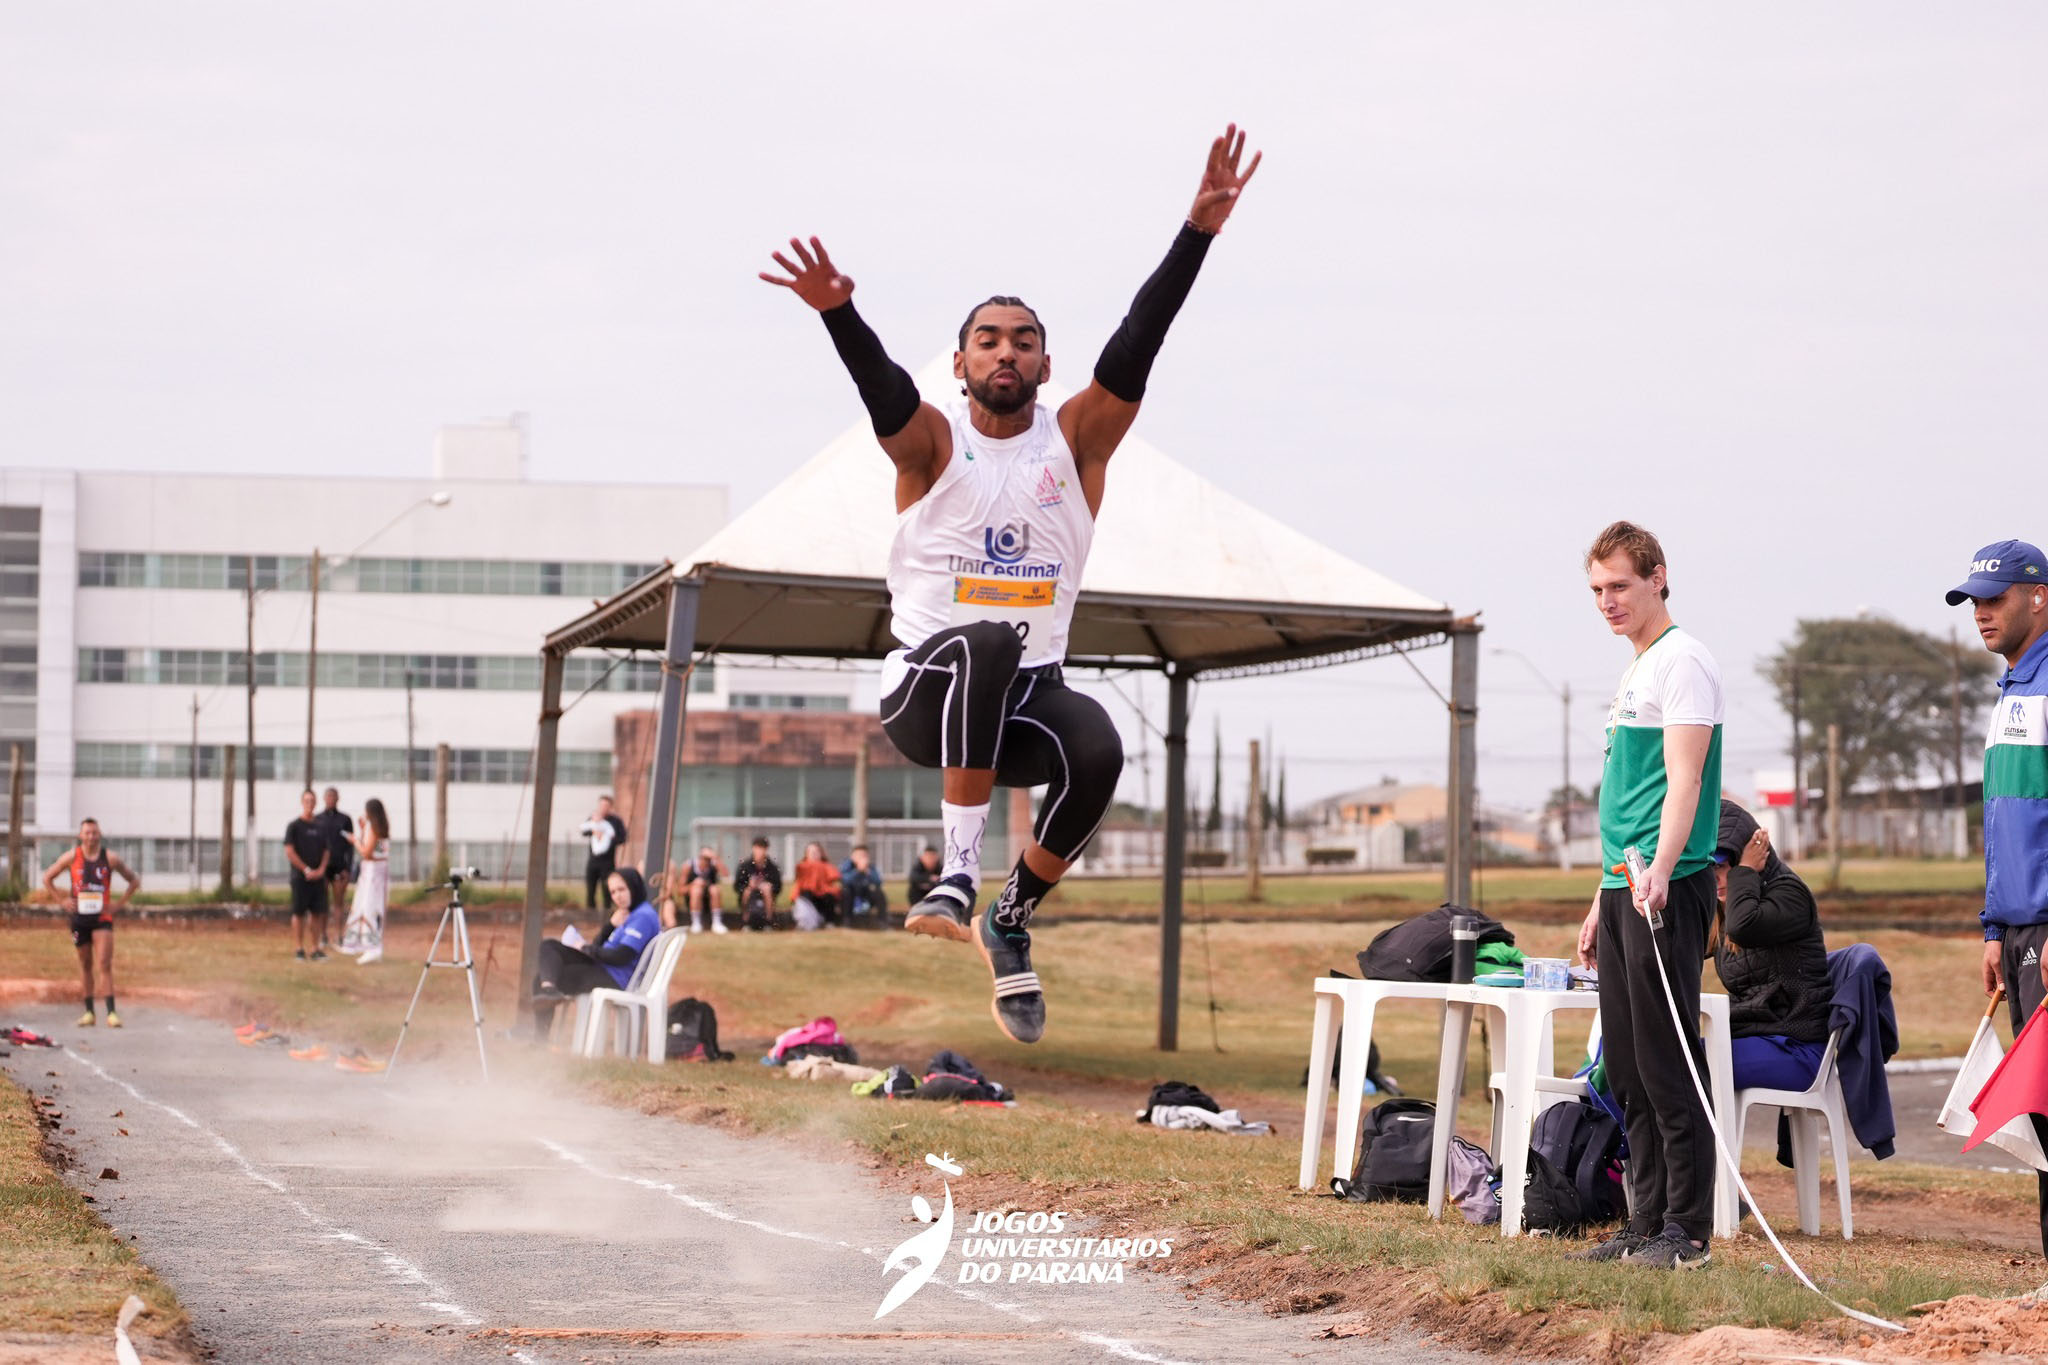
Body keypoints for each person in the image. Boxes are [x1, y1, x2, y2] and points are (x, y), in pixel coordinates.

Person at [759, 125, 1259, 1043]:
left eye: (1024, 342)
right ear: (959, 364)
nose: (1006, 353)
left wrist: (1197, 233)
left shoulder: (1074, 442)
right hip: (927, 692)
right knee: (987, 638)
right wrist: (838, 314)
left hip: (1028, 697)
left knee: (1100, 748)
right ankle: (954, 870)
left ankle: (1010, 915)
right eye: (987, 341)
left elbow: (1136, 344)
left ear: (1046, 363)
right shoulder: (934, 447)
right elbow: (883, 395)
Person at [1570, 520, 1725, 1270]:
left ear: (1659, 576)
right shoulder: (1636, 669)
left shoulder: (1684, 661)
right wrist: (1601, 896)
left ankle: (1687, 1230)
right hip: (1622, 887)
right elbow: (1629, 795)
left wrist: (1660, 868)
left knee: (1668, 1062)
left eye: (1621, 585)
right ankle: (1644, 1218)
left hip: (1669, 883)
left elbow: (1684, 780)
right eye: (1598, 589)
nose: (1608, 600)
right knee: (1627, 1065)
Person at [1947, 537, 2048, 1258]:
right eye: (1974, 601)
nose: (1982, 612)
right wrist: (1992, 927)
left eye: (1996, 597)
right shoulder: (2010, 687)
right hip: (2015, 934)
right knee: (2039, 1113)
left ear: (2038, 596)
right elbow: (2003, 821)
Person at [1708, 800, 1831, 1093]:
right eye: (1709, 868)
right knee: (1654, 1061)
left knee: (1678, 1070)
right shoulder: (1727, 908)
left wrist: (1745, 872)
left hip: (1796, 1049)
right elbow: (1677, 942)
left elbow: (1743, 928)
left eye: (1724, 866)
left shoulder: (1789, 894)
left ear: (1751, 859)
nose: (1716, 878)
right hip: (1753, 1038)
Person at [530, 866, 662, 1039]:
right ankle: (549, 992)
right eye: (613, 892)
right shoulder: (627, 914)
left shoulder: (642, 917)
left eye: (622, 889)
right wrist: (610, 926)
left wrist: (587, 949)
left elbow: (622, 956)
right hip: (604, 968)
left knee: (542, 978)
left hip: (615, 977)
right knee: (549, 946)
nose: (617, 896)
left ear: (634, 886)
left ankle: (540, 1036)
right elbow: (599, 944)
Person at [40, 818, 138, 1028]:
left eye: (94, 832)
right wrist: (62, 901)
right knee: (85, 964)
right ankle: (89, 1012)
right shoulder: (71, 857)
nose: (91, 836)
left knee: (104, 962)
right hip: (79, 919)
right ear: (80, 836)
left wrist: (118, 905)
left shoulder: (110, 859)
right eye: (87, 832)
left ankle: (111, 1012)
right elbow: (47, 878)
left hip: (102, 918)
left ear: (99, 834)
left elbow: (133, 880)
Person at [340, 798, 392, 966]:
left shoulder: (375, 830)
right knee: (363, 907)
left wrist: (355, 841)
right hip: (376, 872)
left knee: (369, 908)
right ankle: (357, 942)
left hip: (373, 875)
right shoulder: (381, 828)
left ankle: (372, 947)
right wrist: (362, 831)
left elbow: (366, 852)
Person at [284, 790, 332, 961]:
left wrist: (321, 870)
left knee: (317, 913)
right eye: (307, 800)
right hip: (300, 878)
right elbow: (289, 851)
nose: (309, 803)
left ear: (316, 802)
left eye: (312, 800)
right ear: (302, 802)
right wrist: (305, 869)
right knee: (298, 913)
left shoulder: (321, 826)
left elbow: (327, 851)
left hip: (318, 879)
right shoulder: (294, 826)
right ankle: (299, 948)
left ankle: (315, 948)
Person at [314, 786, 354, 954]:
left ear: (337, 799)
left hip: (339, 867)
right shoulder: (318, 819)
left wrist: (348, 867)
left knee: (338, 903)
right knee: (322, 903)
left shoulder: (345, 819)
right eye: (328, 797)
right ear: (324, 799)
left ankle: (339, 935)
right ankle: (322, 935)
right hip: (323, 868)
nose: (331, 799)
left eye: (333, 797)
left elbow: (350, 845)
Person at [579, 796, 628, 910]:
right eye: (601, 805)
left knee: (607, 888)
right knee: (590, 887)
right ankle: (590, 912)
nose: (603, 808)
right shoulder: (594, 818)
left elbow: (622, 838)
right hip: (593, 859)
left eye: (606, 806)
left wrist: (607, 836)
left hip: (608, 861)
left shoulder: (616, 821)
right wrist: (594, 831)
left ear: (610, 807)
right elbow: (584, 831)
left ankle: (607, 912)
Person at [733, 838, 782, 931]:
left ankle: (769, 921)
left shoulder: (772, 867)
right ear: (753, 848)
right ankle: (746, 922)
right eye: (757, 848)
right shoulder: (745, 866)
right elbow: (737, 886)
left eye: (762, 848)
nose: (760, 851)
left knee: (767, 889)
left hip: (766, 896)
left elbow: (778, 887)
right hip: (749, 896)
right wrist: (749, 886)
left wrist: (768, 886)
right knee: (747, 892)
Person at [792, 842, 842, 929]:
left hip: (824, 896)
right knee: (805, 896)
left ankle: (829, 922)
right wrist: (794, 898)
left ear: (821, 853)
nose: (814, 854)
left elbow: (836, 883)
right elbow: (798, 884)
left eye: (816, 851)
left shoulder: (828, 866)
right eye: (811, 852)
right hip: (808, 896)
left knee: (829, 896)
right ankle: (805, 922)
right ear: (806, 854)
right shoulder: (802, 867)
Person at [680, 845, 728, 934]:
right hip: (693, 899)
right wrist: (693, 884)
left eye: (708, 859)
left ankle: (717, 923)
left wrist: (716, 858)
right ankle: (696, 923)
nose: (706, 861)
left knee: (715, 889)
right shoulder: (689, 865)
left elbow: (726, 875)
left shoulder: (713, 864)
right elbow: (681, 890)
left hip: (710, 900)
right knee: (696, 890)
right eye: (704, 858)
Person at [839, 844, 889, 928]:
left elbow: (878, 882)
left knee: (878, 892)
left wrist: (868, 872)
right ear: (852, 856)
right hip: (851, 895)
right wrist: (857, 871)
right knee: (846, 891)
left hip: (866, 895)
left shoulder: (870, 867)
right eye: (859, 855)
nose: (861, 858)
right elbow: (845, 881)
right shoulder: (846, 865)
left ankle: (882, 922)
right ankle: (846, 921)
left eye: (864, 855)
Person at [906, 845, 942, 911]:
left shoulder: (941, 868)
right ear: (922, 858)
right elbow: (912, 877)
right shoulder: (917, 867)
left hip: (934, 896)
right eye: (928, 857)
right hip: (918, 895)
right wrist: (929, 878)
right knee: (912, 889)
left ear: (937, 857)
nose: (930, 860)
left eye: (932, 857)